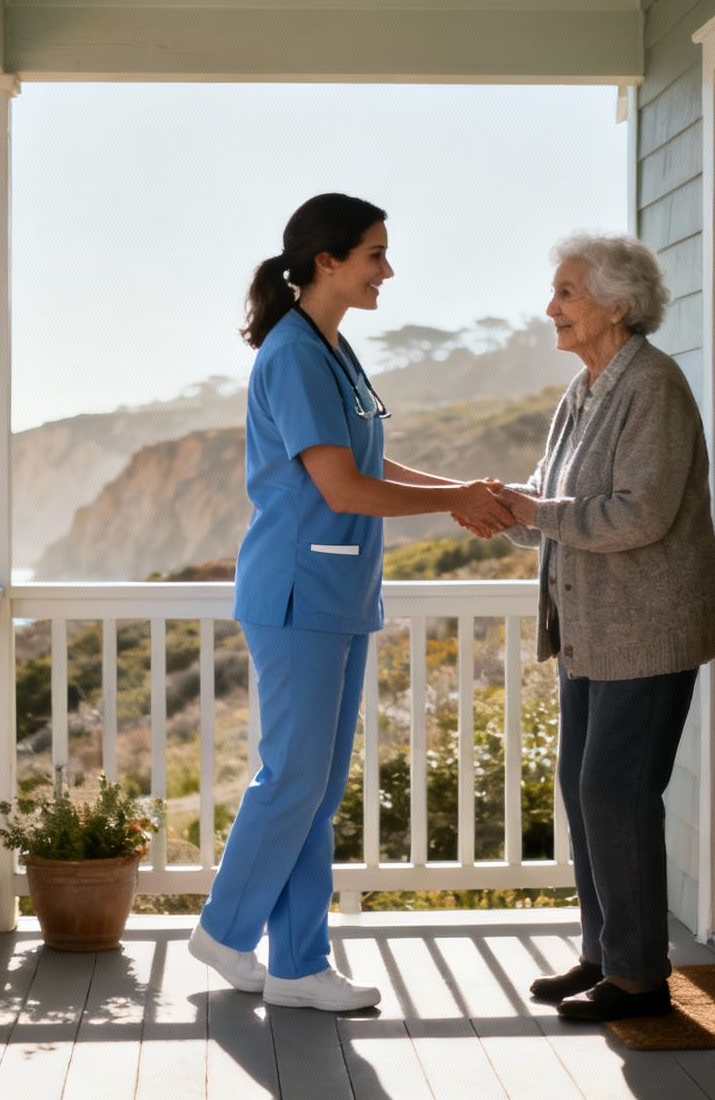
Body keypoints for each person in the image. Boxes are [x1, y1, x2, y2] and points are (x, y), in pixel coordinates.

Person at [188, 193, 514, 1012]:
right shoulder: (295, 353)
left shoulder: (334, 350)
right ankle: (226, 932)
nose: (387, 270)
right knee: (292, 776)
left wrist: (464, 491)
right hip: (297, 592)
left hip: (337, 592)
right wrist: (456, 503)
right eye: (375, 254)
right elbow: (341, 486)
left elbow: (375, 460)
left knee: (314, 787)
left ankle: (298, 965)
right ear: (328, 260)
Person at [490, 233, 715, 1021]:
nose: (551, 308)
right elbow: (559, 505)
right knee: (585, 790)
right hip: (589, 631)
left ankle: (639, 979)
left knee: (615, 792)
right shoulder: (585, 389)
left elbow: (639, 515)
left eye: (567, 294)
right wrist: (505, 512)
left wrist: (534, 511)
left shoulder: (653, 386)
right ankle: (603, 953)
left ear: (617, 306)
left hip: (645, 631)